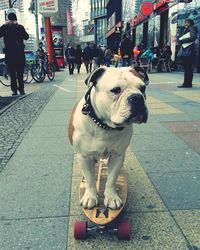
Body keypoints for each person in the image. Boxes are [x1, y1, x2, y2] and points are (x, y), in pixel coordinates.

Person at [0, 12, 29, 95]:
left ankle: (17, 90)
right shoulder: (15, 27)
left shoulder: (10, 27)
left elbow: (26, 37)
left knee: (15, 74)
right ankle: (18, 90)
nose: (11, 22)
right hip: (16, 55)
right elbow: (26, 37)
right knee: (16, 74)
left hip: (13, 55)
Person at [177, 19, 197, 88]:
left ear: (190, 23)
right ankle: (187, 83)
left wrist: (182, 40)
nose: (186, 24)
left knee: (188, 68)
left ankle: (187, 84)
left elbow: (193, 37)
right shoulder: (188, 29)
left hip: (189, 52)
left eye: (187, 23)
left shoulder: (191, 28)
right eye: (185, 22)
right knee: (187, 68)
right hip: (188, 51)